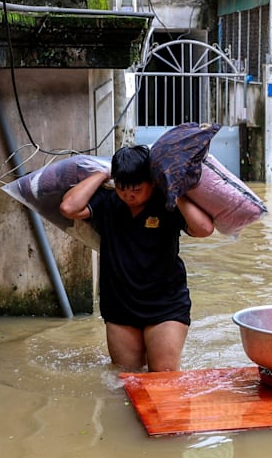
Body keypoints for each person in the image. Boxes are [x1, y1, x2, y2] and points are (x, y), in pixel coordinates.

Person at [59, 145, 214, 371]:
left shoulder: (167, 203)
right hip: (120, 305)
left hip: (166, 304)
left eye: (136, 190)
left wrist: (173, 190)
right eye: (123, 189)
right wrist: (104, 173)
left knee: (164, 378)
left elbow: (204, 229)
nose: (129, 196)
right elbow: (69, 208)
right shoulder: (108, 200)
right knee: (127, 379)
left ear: (152, 182)